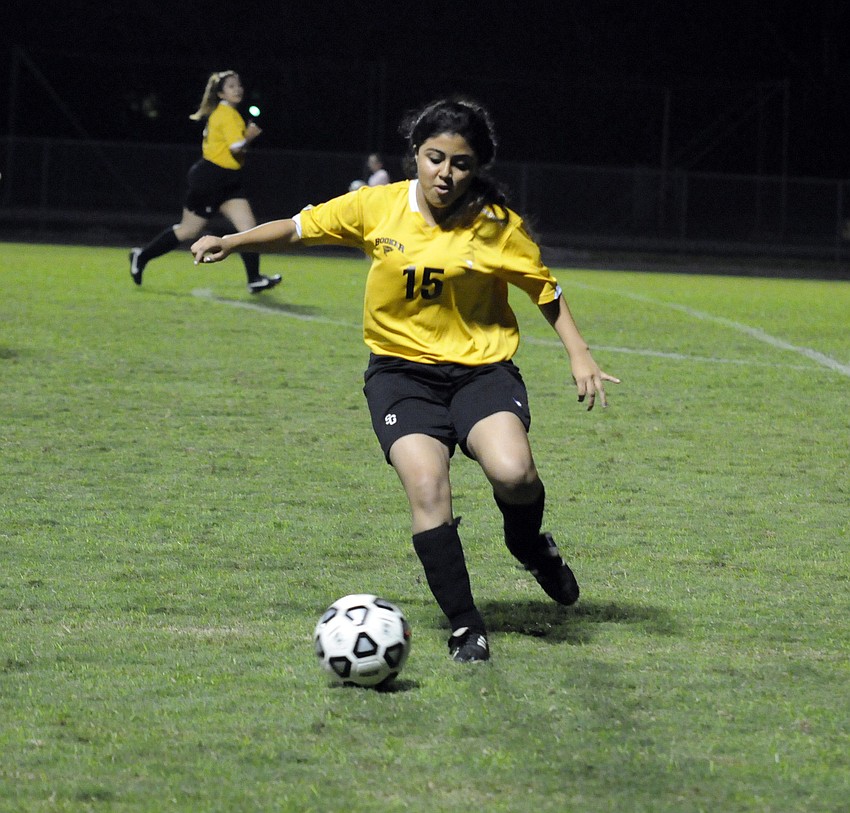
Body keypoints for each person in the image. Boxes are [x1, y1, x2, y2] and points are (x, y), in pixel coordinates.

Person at [191, 97, 619, 663]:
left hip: (480, 371)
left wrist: (580, 354)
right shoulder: (378, 207)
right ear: (415, 155)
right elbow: (298, 228)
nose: (445, 173)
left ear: (476, 167)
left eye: (459, 163)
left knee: (514, 473)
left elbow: (545, 289)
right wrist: (234, 240)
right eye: (433, 157)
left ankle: (529, 546)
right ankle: (467, 625)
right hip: (401, 375)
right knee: (427, 488)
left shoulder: (496, 227)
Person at [129, 70, 281, 294]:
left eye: (238, 84)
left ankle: (254, 279)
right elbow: (235, 147)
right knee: (188, 231)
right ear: (220, 93)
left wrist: (245, 138)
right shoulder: (225, 114)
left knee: (248, 230)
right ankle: (141, 256)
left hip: (229, 181)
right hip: (210, 180)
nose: (237, 89)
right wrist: (250, 135)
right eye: (230, 86)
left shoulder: (231, 114)